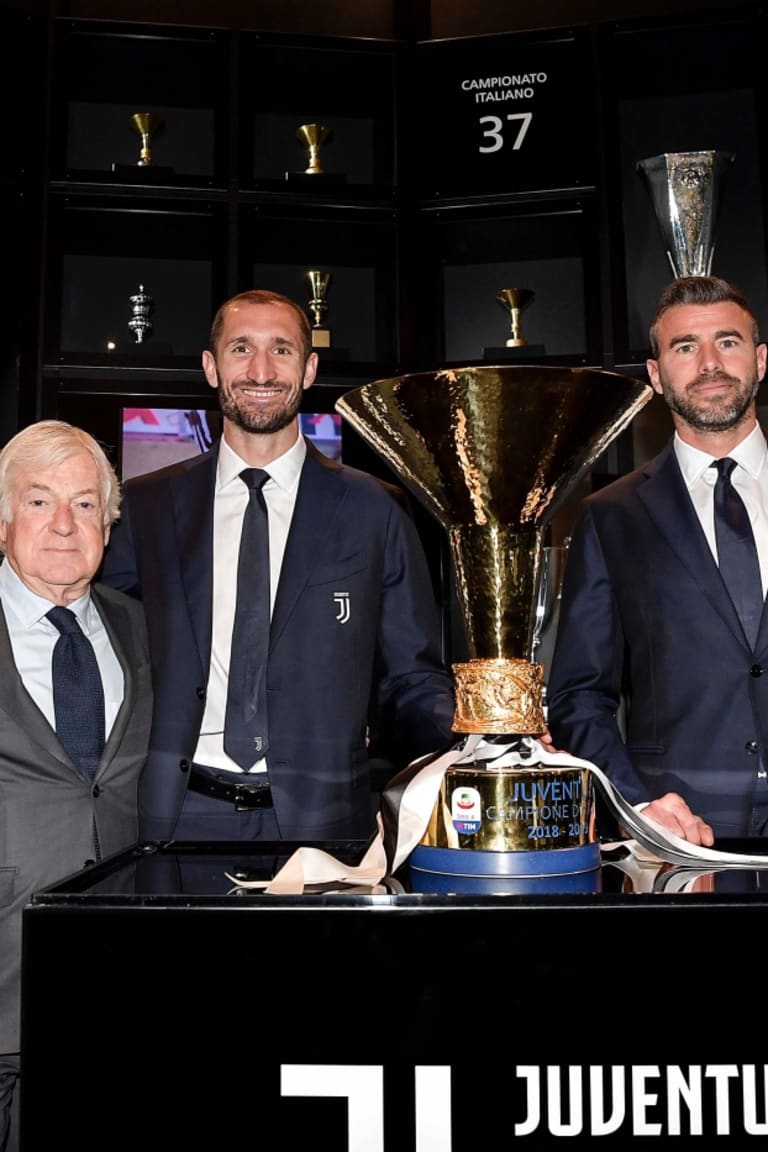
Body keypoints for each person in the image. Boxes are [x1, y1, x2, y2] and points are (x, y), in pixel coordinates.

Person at [100, 288, 456, 843]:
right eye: (241, 349)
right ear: (211, 367)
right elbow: (105, 649)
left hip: (326, 823)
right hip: (174, 817)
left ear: (310, 369)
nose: (261, 370)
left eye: (282, 350)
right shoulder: (143, 508)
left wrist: (475, 739)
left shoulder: (374, 509)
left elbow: (411, 676)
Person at [547, 274, 768, 844]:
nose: (710, 363)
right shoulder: (611, 515)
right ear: (655, 375)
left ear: (760, 360)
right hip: (684, 828)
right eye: (685, 348)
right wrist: (639, 803)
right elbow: (579, 696)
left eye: (728, 341)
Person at [0, 420, 152, 1152]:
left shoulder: (142, 629)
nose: (64, 524)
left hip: (116, 992)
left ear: (108, 524)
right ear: (3, 517)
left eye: (86, 505)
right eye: (38, 501)